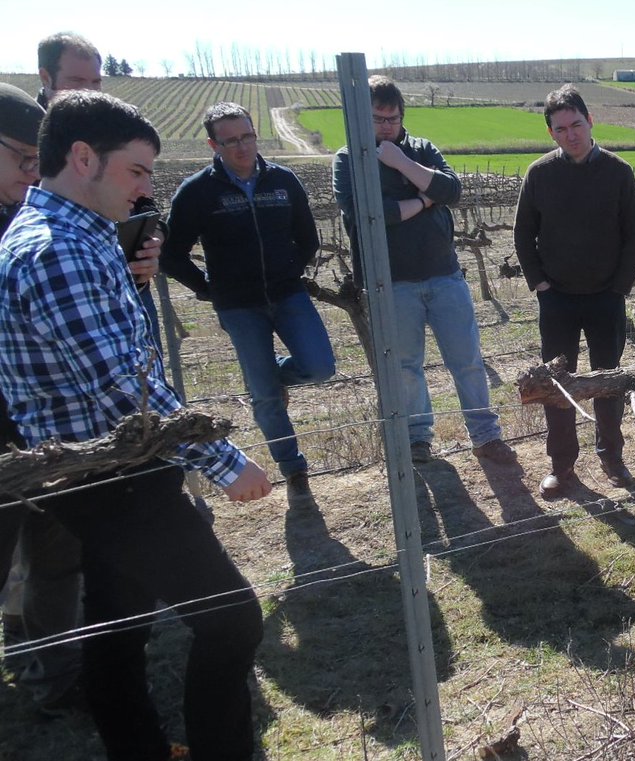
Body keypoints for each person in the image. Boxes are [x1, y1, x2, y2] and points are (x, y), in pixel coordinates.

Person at [0, 89, 270, 761]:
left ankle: (138, 748)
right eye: (138, 171)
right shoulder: (56, 251)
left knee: (118, 623)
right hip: (113, 474)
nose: (148, 188)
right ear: (83, 156)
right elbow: (123, 385)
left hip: (104, 468)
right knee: (232, 619)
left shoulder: (73, 234)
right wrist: (226, 464)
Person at [333, 76, 516, 467]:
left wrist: (401, 163)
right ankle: (419, 441)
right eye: (377, 119)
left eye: (392, 118)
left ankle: (486, 436)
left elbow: (452, 190)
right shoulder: (349, 160)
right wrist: (423, 198)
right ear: (361, 119)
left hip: (443, 274)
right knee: (406, 368)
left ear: (402, 116)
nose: (386, 126)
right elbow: (373, 215)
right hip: (391, 282)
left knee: (467, 359)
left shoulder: (421, 149)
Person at [162, 102, 335, 512]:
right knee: (264, 398)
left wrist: (290, 271)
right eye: (231, 140)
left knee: (321, 366)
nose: (242, 147)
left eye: (247, 137)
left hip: (288, 294)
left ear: (256, 135)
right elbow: (172, 254)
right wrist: (207, 289)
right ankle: (294, 470)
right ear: (213, 144)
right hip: (238, 306)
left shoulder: (283, 181)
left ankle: (273, 372)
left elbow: (307, 237)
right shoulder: (197, 192)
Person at [513, 85, 635, 497]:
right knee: (557, 388)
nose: (570, 134)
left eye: (576, 124)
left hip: (606, 298)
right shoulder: (540, 175)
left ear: (590, 122)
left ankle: (612, 456)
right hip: (558, 301)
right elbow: (523, 237)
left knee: (609, 383)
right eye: (560, 128)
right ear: (551, 134)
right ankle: (562, 466)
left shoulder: (618, 172)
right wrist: (541, 287)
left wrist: (618, 289)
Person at [0, 82, 85, 715]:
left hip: (41, 426)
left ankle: (55, 679)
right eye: (22, 159)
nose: (33, 175)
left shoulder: (36, 217)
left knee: (56, 557)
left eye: (39, 161)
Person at [36, 33, 163, 349]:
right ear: (45, 77)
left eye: (95, 82)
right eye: (77, 81)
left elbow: (144, 203)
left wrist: (151, 242)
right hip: (58, 285)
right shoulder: (25, 135)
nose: (89, 92)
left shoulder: (111, 132)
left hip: (125, 283)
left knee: (145, 369)